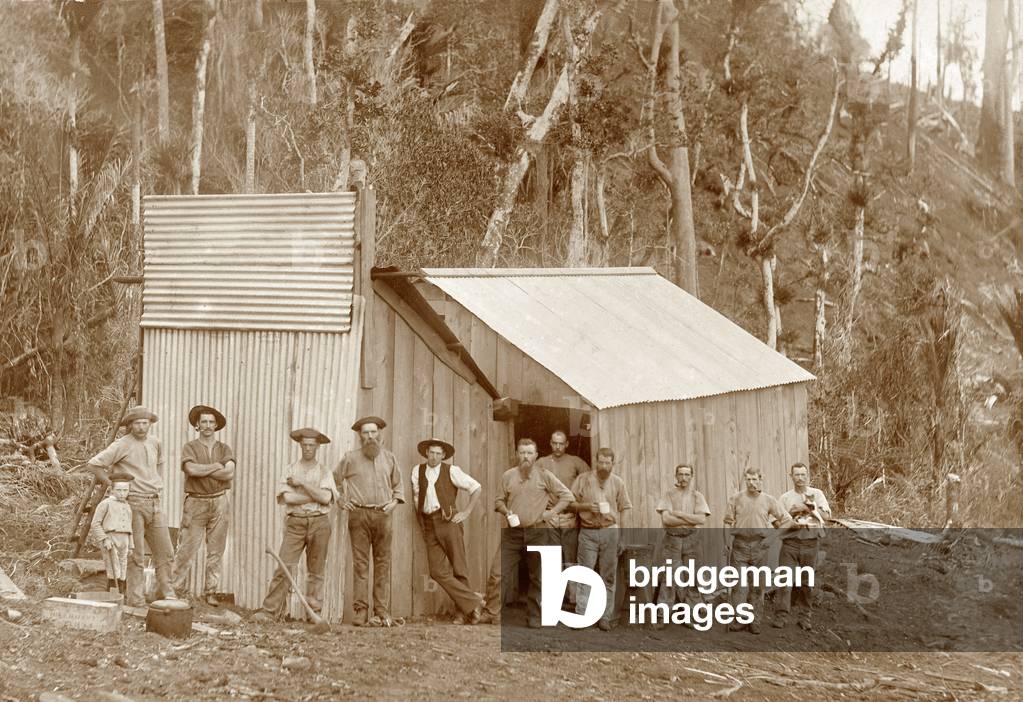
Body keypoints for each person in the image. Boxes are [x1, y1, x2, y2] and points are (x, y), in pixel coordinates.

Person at [86, 406, 175, 607]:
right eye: (137, 423)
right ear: (130, 425)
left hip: (154, 502)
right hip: (132, 504)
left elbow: (160, 464)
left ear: (150, 424)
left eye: (145, 423)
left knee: (166, 551)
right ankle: (136, 599)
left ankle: (167, 595)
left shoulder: (155, 442)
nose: (142, 427)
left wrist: (157, 483)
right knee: (136, 554)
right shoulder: (122, 444)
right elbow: (93, 464)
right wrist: (114, 485)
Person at [253, 428, 338, 622]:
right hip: (295, 522)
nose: (307, 448)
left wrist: (302, 484)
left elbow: (327, 498)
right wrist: (314, 495)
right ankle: (270, 611)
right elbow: (288, 498)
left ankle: (314, 614)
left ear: (317, 446)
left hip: (319, 522)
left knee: (316, 571)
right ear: (300, 445)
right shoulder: (290, 469)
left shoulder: (324, 471)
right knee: (285, 566)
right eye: (304, 445)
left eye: (311, 445)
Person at [489, 438, 573, 628]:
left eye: (529, 453)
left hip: (538, 532)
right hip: (513, 534)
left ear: (536, 456)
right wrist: (506, 511)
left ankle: (534, 616)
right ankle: (492, 612)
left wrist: (552, 512)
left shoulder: (545, 475)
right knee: (497, 572)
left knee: (538, 576)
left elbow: (567, 496)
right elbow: (498, 501)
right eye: (522, 453)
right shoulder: (508, 476)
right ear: (517, 455)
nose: (525, 457)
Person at [335, 416, 405, 627]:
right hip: (359, 516)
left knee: (383, 563)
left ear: (379, 434)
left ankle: (381, 611)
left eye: (373, 432)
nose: (370, 436)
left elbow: (398, 485)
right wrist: (341, 500)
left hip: (383, 515)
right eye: (365, 433)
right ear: (360, 436)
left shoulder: (390, 458)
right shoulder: (350, 458)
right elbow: (334, 481)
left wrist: (394, 502)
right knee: (361, 564)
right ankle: (360, 611)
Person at [410, 438, 483, 625]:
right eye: (431, 453)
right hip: (429, 524)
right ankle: (474, 602)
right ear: (426, 453)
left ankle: (463, 613)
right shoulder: (417, 471)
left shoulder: (451, 471)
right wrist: (422, 521)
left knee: (459, 568)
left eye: (438, 454)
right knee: (436, 571)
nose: (434, 457)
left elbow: (476, 487)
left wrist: (466, 512)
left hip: (449, 522)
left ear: (443, 455)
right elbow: (417, 498)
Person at [172, 404, 236, 607]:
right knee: (187, 548)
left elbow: (229, 473)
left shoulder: (224, 449)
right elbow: (191, 470)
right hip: (196, 501)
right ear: (197, 425)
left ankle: (211, 592)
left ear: (216, 425)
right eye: (204, 422)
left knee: (216, 550)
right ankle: (176, 590)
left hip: (219, 501)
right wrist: (216, 467)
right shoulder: (190, 447)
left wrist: (205, 470)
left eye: (211, 422)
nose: (207, 425)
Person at [722, 467, 792, 634]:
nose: (751, 483)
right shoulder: (735, 499)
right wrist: (727, 542)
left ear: (761, 480)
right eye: (748, 479)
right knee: (739, 585)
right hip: (739, 546)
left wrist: (772, 537)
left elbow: (787, 520)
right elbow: (727, 522)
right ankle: (740, 619)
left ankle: (755, 620)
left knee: (757, 586)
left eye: (754, 479)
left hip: (760, 547)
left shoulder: (768, 500)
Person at [570, 447, 632, 631]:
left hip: (610, 532)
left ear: (613, 463)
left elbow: (625, 508)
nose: (604, 466)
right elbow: (570, 503)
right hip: (588, 532)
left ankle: (605, 616)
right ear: (596, 461)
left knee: (608, 576)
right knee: (585, 574)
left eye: (607, 463)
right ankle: (582, 614)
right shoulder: (583, 480)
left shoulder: (618, 482)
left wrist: (623, 536)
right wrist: (587, 507)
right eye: (601, 462)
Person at [773, 462, 831, 631]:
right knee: (784, 581)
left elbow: (826, 516)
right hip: (790, 544)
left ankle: (805, 617)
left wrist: (807, 508)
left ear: (807, 476)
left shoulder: (817, 494)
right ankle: (781, 616)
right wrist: (790, 520)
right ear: (791, 477)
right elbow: (776, 521)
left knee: (807, 583)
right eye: (797, 475)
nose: (800, 478)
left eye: (803, 474)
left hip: (810, 543)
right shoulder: (785, 498)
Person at [653, 463, 711, 628]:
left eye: (687, 474)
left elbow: (701, 519)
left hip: (692, 540)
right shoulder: (669, 495)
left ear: (691, 477)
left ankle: (690, 615)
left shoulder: (697, 496)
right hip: (672, 541)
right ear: (676, 476)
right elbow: (666, 520)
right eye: (680, 474)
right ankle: (663, 615)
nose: (683, 478)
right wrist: (689, 519)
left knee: (692, 578)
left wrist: (680, 515)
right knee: (669, 578)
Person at [535, 431, 589, 570]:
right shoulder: (541, 462)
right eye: (555, 443)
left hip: (569, 517)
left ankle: (570, 585)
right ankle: (555, 584)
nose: (558, 447)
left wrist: (579, 502)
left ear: (567, 444)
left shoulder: (575, 462)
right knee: (551, 558)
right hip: (550, 517)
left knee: (570, 558)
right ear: (550, 443)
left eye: (561, 444)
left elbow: (589, 480)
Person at [88, 470, 135, 596]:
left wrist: (131, 545)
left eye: (125, 490)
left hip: (124, 539)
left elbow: (130, 527)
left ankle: (122, 594)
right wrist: (104, 539)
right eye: (119, 490)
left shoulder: (127, 506)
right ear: (112, 490)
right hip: (111, 538)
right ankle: (112, 594)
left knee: (123, 567)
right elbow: (95, 524)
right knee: (113, 568)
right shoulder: (105, 504)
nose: (122, 493)